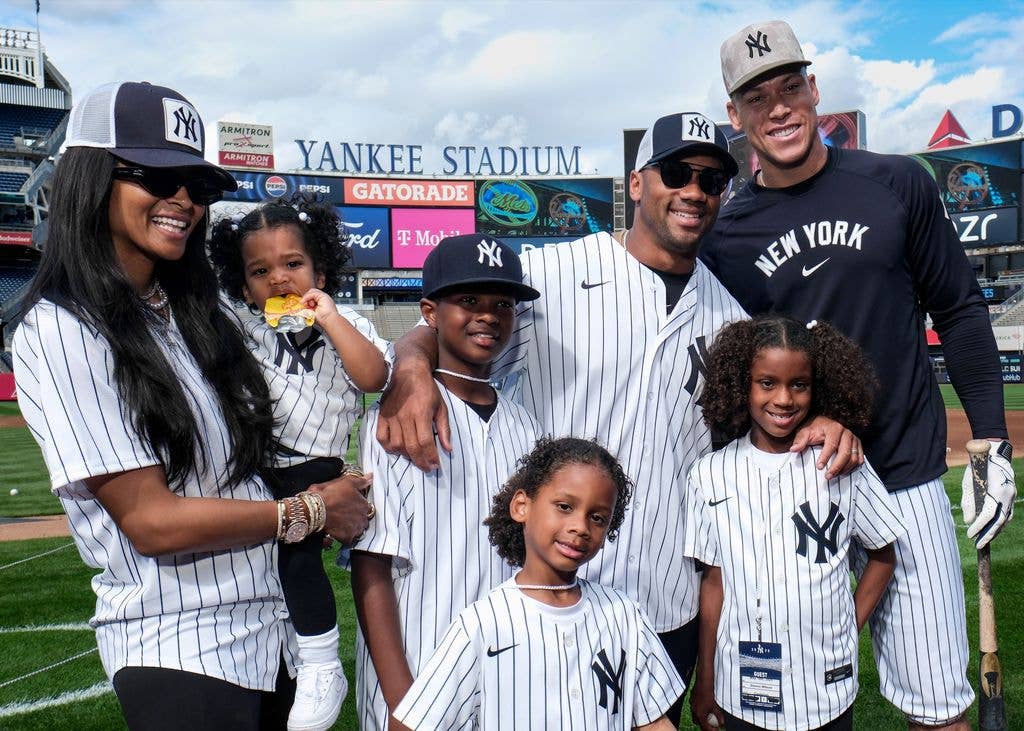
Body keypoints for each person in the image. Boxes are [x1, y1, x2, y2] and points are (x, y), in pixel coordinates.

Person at [376, 111, 862, 724]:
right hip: (552, 593)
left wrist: (828, 420)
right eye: (677, 172)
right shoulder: (550, 277)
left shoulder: (730, 317)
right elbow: (444, 325)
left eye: (712, 181)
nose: (694, 191)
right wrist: (412, 369)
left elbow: (774, 413)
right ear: (637, 183)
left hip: (669, 600)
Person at [12, 81, 374, 730]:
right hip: (181, 649)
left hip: (271, 636)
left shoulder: (194, 318)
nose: (182, 198)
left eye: (197, 185)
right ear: (91, 181)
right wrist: (311, 508)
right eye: (155, 175)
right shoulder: (64, 325)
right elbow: (153, 520)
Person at [702, 20, 1016, 729]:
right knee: (793, 708)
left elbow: (960, 310)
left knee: (940, 709)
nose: (778, 108)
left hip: (901, 473)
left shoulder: (896, 183)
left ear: (814, 91)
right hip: (793, 486)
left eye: (790, 87)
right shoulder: (727, 234)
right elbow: (732, 365)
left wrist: (990, 439)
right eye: (757, 99)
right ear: (737, 116)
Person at [208, 196, 391, 731]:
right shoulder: (242, 322)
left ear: (320, 270)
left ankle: (320, 662)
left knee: (295, 555)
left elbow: (373, 377)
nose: (278, 279)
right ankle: (287, 649)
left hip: (317, 466)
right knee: (255, 561)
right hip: (256, 463)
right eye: (260, 271)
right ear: (243, 286)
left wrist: (330, 317)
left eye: (293, 264)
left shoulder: (346, 321)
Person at [349, 234, 542, 730]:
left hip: (505, 674)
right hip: (418, 665)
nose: (488, 315)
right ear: (430, 313)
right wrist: (400, 703)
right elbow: (372, 567)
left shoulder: (526, 426)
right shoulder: (395, 419)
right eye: (468, 301)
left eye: (503, 303)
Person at [684, 316, 902, 731]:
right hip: (740, 687)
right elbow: (714, 582)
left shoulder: (843, 462)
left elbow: (883, 556)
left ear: (816, 387)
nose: (784, 399)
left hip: (827, 687)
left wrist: (847, 626)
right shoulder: (710, 473)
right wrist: (706, 678)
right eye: (767, 382)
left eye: (798, 384)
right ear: (741, 384)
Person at [393, 436, 684, 730]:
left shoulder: (625, 616)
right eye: (564, 507)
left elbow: (655, 723)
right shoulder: (484, 624)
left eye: (597, 517)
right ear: (521, 506)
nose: (580, 527)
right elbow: (411, 724)